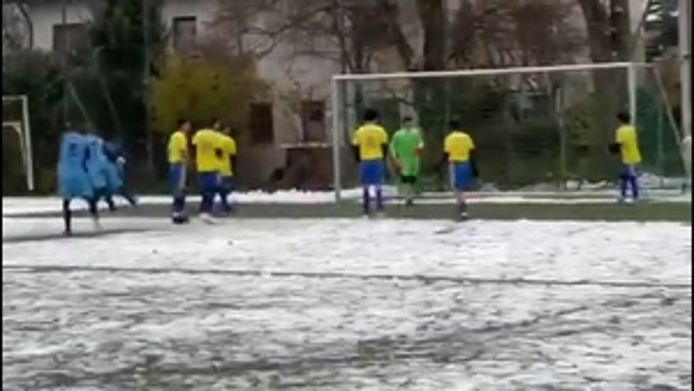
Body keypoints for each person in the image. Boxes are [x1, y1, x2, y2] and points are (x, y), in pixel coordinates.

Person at [57, 122, 101, 235]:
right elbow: (87, 158)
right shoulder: (84, 141)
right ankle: (96, 221)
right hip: (79, 172)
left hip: (66, 173)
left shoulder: (64, 139)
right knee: (90, 198)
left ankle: (67, 228)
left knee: (66, 202)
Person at [351, 108, 389, 216]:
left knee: (365, 185)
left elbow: (355, 146)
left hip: (365, 160)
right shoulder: (380, 130)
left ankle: (366, 208)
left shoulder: (359, 131)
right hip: (377, 158)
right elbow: (384, 145)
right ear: (375, 119)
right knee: (378, 185)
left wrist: (358, 159)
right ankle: (380, 207)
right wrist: (384, 158)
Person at [443, 120, 478, 220]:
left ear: (450, 127)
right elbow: (472, 151)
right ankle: (462, 208)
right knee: (461, 187)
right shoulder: (466, 137)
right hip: (465, 163)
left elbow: (446, 153)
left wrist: (441, 165)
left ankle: (462, 208)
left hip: (454, 164)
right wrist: (474, 166)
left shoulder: (449, 138)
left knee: (456, 187)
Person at [192, 119, 223, 222]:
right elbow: (219, 151)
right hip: (212, 167)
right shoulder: (216, 136)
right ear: (214, 125)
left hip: (201, 166)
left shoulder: (199, 134)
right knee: (212, 190)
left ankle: (203, 211)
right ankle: (206, 212)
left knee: (204, 190)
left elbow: (193, 146)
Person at [389, 116, 424, 206]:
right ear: (403, 123)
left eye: (410, 122)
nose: (409, 124)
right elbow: (392, 146)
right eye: (407, 122)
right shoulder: (398, 134)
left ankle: (410, 196)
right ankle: (407, 197)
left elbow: (420, 142)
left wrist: (420, 147)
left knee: (412, 178)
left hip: (414, 158)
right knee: (406, 178)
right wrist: (395, 157)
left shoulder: (416, 133)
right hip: (404, 158)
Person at [608, 111, 642, 202]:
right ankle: (632, 194)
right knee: (628, 176)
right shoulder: (632, 129)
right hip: (635, 155)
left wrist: (612, 148)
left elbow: (619, 143)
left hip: (626, 157)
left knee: (628, 176)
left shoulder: (621, 130)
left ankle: (631, 194)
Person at [168, 119, 193, 223]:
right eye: (187, 125)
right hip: (180, 164)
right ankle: (179, 213)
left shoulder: (173, 136)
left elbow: (169, 149)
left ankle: (177, 212)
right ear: (182, 126)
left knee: (177, 187)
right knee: (181, 188)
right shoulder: (181, 136)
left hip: (173, 164)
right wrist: (188, 161)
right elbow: (183, 151)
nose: (189, 127)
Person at [102, 140, 137, 209]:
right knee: (117, 184)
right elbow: (109, 154)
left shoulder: (103, 145)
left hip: (105, 166)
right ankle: (130, 199)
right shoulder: (102, 145)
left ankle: (111, 202)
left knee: (109, 185)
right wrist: (117, 159)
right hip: (109, 166)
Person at [215, 125, 238, 214]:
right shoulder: (229, 140)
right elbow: (233, 153)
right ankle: (224, 205)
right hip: (225, 166)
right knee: (226, 187)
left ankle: (223, 204)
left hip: (216, 166)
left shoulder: (215, 139)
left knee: (222, 187)